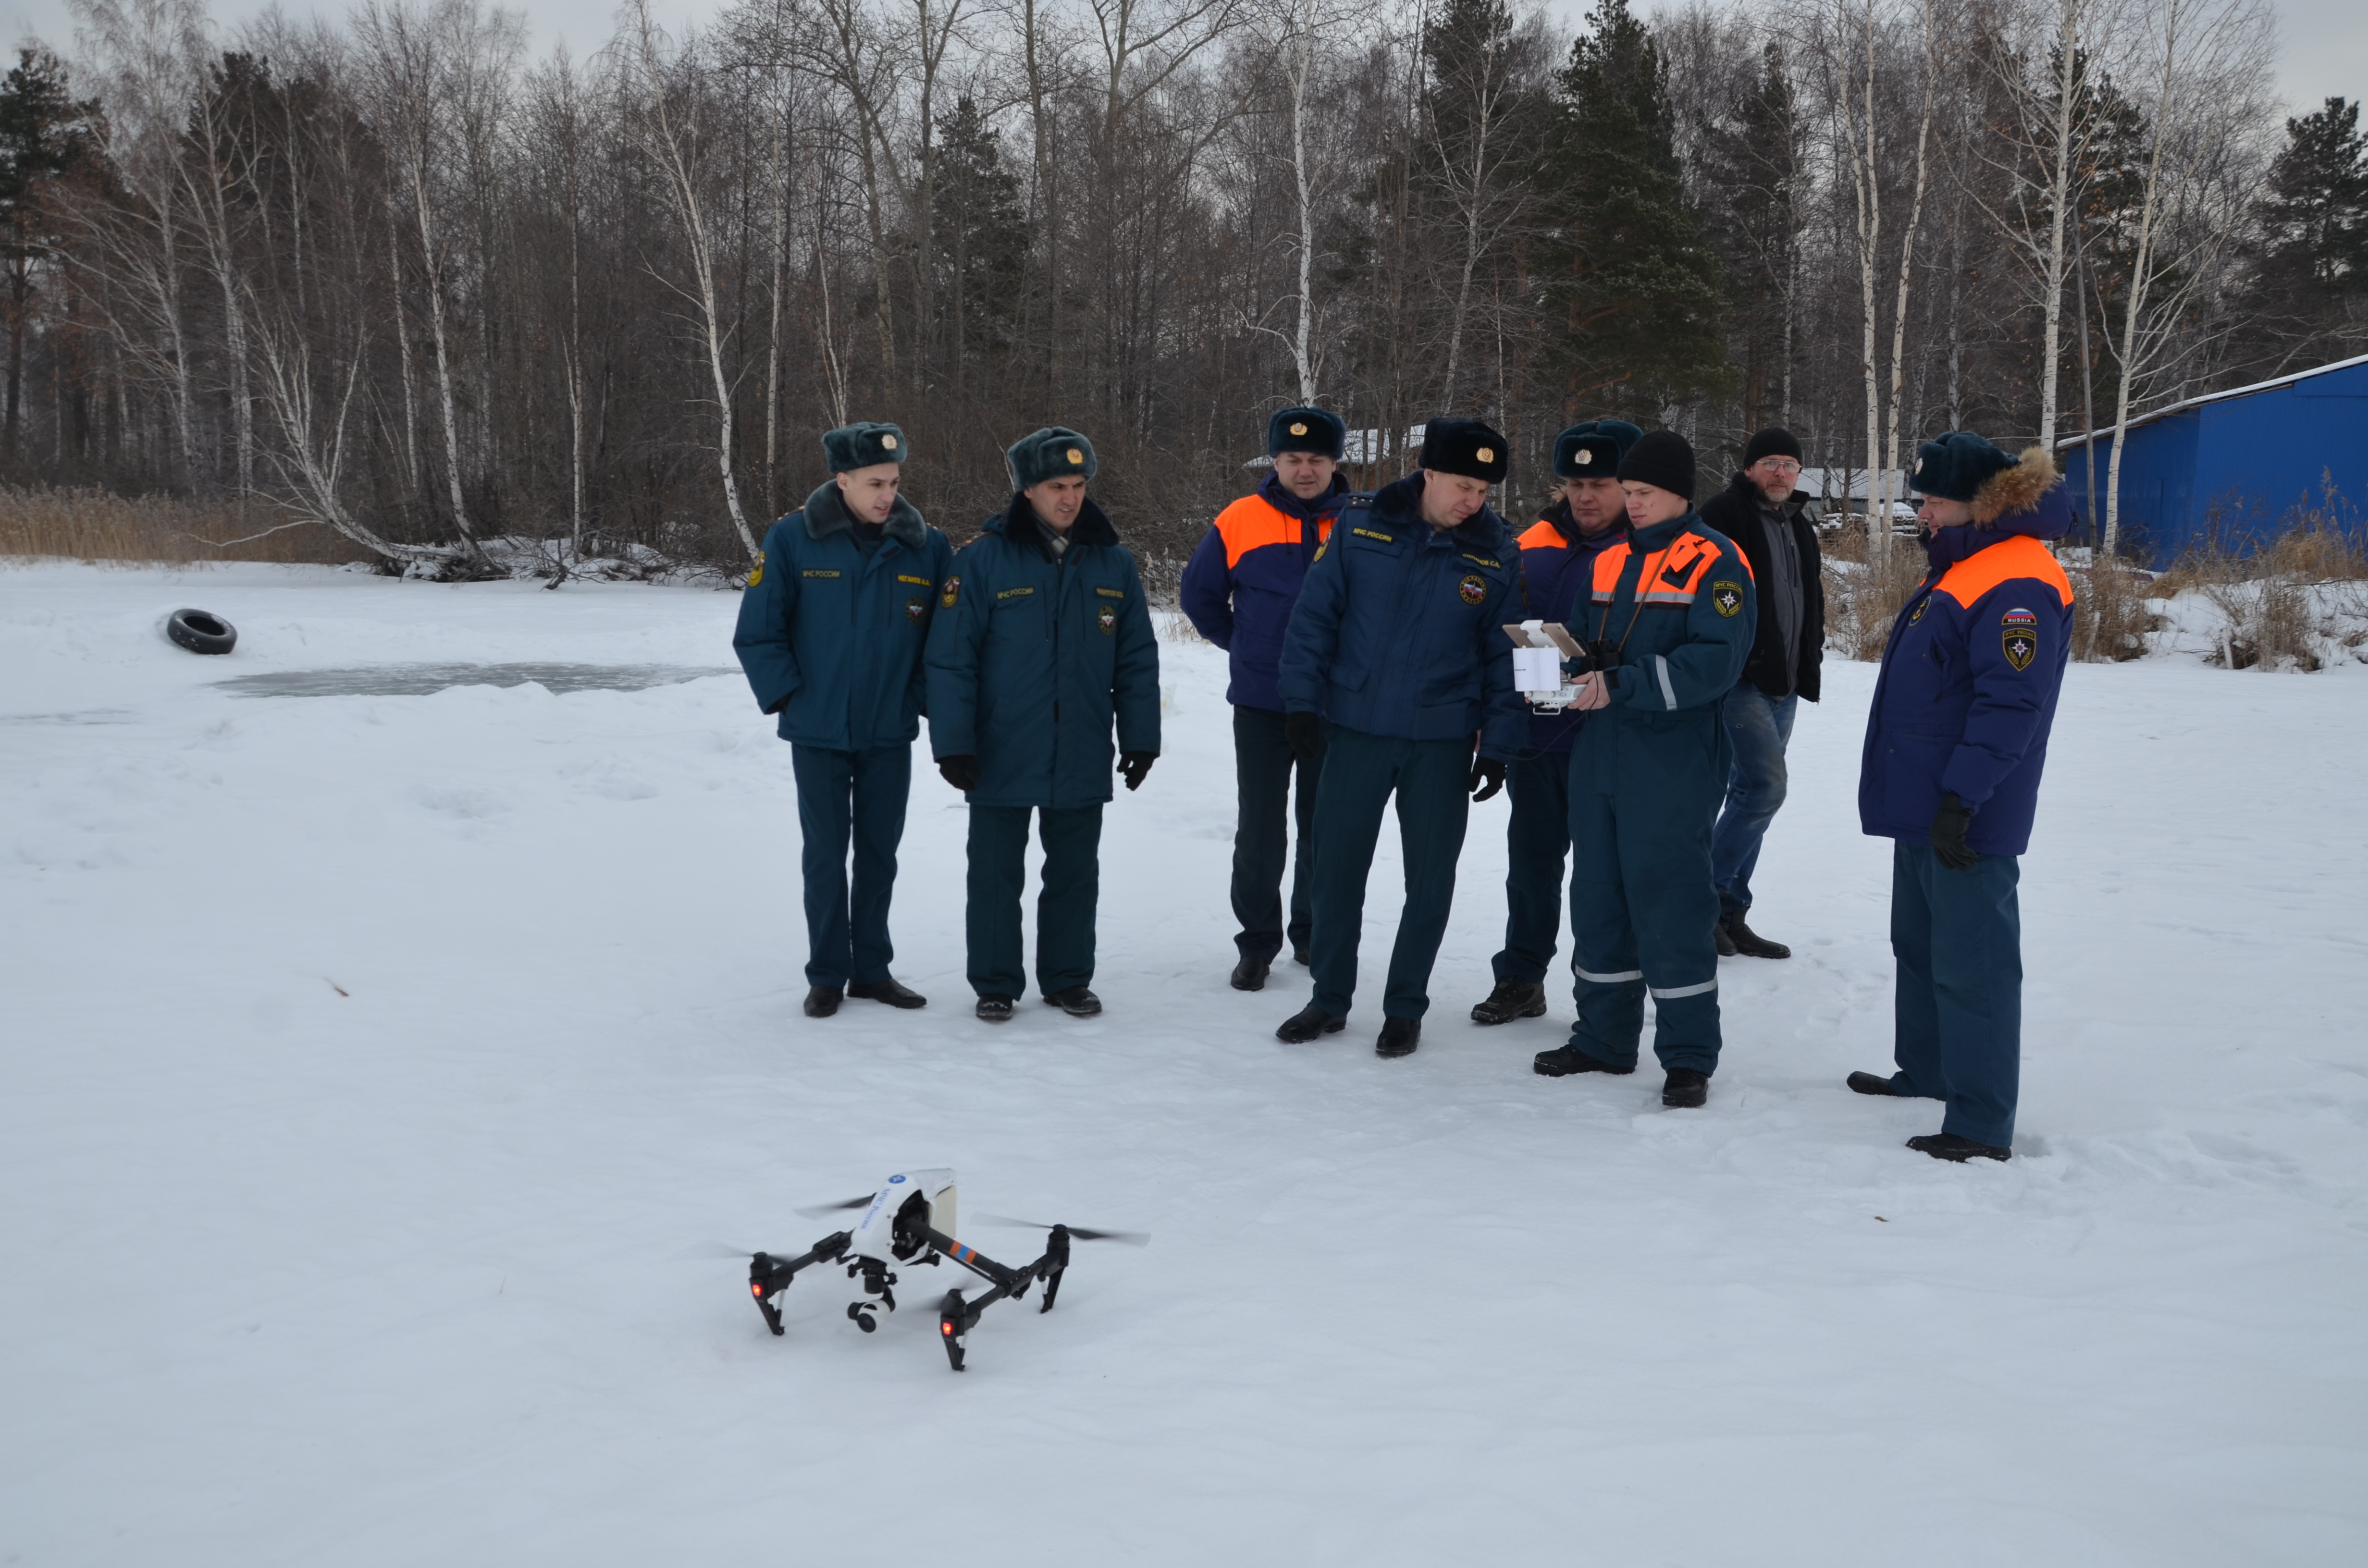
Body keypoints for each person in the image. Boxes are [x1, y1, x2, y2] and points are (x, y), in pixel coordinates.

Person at [1849, 433, 2073, 1162]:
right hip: (1926, 804)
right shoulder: (1965, 565)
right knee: (1918, 946)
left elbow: (2013, 705)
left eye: (1933, 500)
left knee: (1972, 966)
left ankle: (1979, 1123)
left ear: (1979, 504)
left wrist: (1964, 797)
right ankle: (1929, 1071)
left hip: (1966, 811)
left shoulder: (2015, 580)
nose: (1923, 512)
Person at [1272, 417, 1526, 1059]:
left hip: (1440, 743)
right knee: (1334, 873)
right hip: (1355, 731)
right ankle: (1329, 998)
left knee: (1431, 881)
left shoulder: (1497, 552)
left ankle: (1405, 1007)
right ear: (1429, 472)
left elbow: (1505, 658)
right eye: (1464, 485)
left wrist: (1496, 744)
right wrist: (1302, 704)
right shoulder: (1361, 524)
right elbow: (1313, 619)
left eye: (1484, 491)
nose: (1473, 500)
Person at [1532, 430, 1755, 1108]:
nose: (1630, 504)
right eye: (1626, 493)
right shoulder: (1607, 561)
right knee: (1598, 897)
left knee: (1671, 903)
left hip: (1673, 757)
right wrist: (1554, 669)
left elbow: (1715, 664)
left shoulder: (1717, 562)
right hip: (1601, 752)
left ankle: (1688, 1056)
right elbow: (1578, 640)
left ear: (1680, 493)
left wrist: (1621, 684)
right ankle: (1603, 1037)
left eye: (1643, 494)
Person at [925, 427, 1161, 1024]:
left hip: (1081, 745)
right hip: (1001, 748)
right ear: (1026, 488)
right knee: (996, 874)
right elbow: (951, 659)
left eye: (1079, 486)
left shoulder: (1114, 564)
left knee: (1075, 873)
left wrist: (1139, 738)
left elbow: (1135, 661)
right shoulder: (980, 561)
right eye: (1057, 486)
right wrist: (952, 743)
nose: (1070, 498)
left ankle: (1065, 979)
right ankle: (996, 982)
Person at [733, 422, 955, 1018]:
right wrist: (793, 700)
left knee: (880, 855)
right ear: (842, 481)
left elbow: (944, 641)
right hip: (819, 732)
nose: (888, 495)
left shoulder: (925, 548)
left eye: (894, 482)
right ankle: (828, 973)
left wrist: (917, 699)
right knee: (826, 855)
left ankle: (872, 972)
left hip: (888, 732)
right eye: (875, 483)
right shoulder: (792, 540)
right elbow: (758, 633)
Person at [1470, 418, 1641, 1026]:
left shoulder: (1651, 546)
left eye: (1598, 483)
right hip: (1538, 737)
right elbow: (1500, 638)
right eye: (1573, 482)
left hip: (1612, 739)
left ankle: (1604, 994)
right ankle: (1520, 977)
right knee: (1532, 865)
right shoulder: (1530, 542)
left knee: (1605, 876)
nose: (1584, 496)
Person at [1180, 407, 1351, 992]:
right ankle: (1256, 942)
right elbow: (1200, 597)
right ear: (1274, 461)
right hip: (1261, 701)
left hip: (1335, 704)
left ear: (1335, 463)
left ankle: (1311, 932)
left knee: (1322, 824)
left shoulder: (1360, 523)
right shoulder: (1240, 518)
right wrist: (1245, 646)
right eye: (1293, 459)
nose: (1305, 471)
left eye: (1317, 460)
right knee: (1259, 827)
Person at [1698, 428, 1824, 960]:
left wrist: (1808, 656)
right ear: (1749, 468)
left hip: (1787, 680)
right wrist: (1740, 659)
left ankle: (1729, 914)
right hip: (1741, 680)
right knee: (1762, 790)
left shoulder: (1799, 524)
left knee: (1750, 797)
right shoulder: (1723, 515)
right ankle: (1702, 903)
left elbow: (1809, 598)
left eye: (1789, 465)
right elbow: (1709, 595)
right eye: (1770, 463)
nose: (1780, 473)